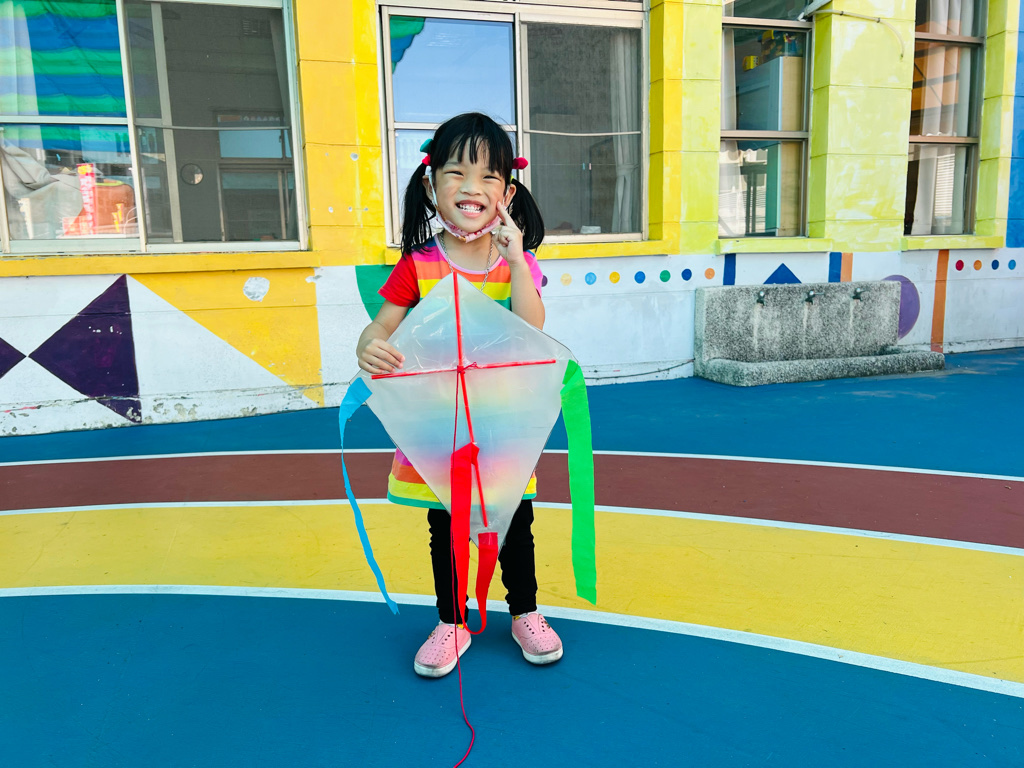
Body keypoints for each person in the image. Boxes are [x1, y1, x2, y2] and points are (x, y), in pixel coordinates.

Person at [356, 113, 563, 678]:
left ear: (507, 193)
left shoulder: (518, 264)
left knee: (514, 522)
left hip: (503, 425)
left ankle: (525, 612)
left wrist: (516, 260)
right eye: (456, 172)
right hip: (437, 428)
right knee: (445, 529)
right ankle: (452, 622)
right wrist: (368, 344)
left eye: (488, 176)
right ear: (431, 185)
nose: (472, 187)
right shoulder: (419, 265)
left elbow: (533, 326)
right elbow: (382, 325)